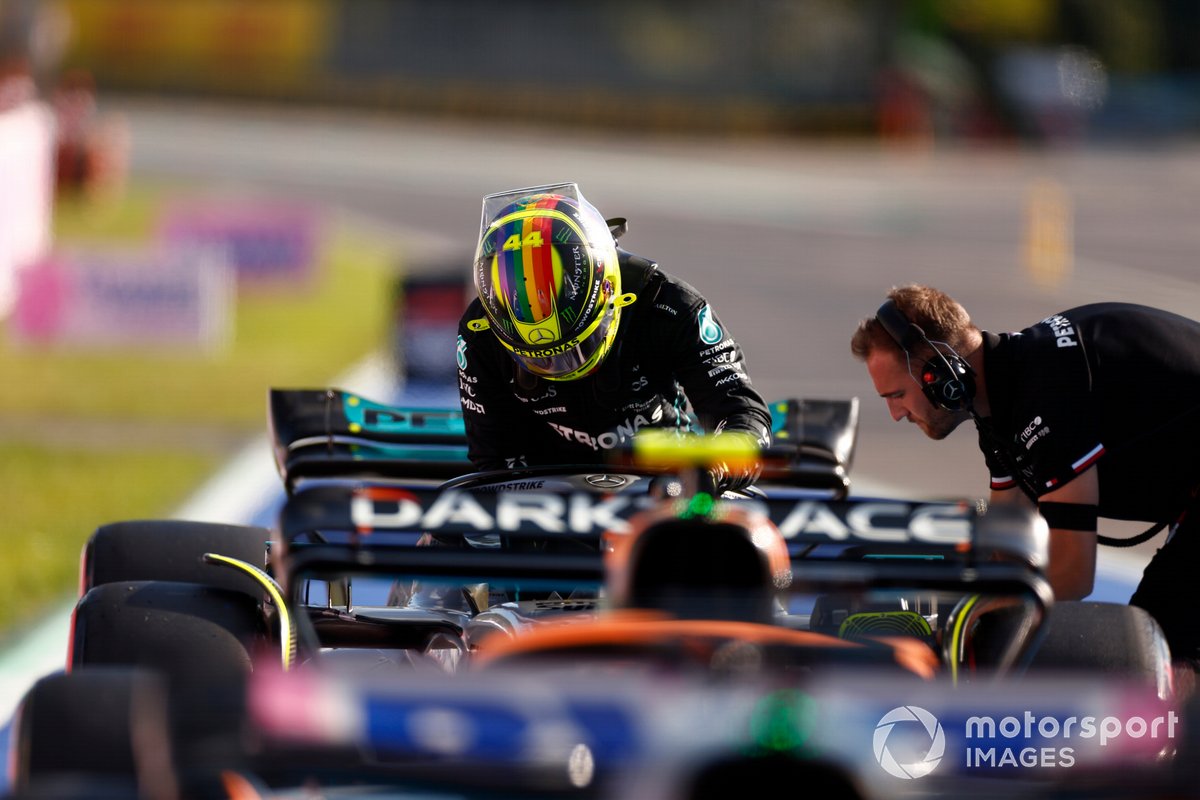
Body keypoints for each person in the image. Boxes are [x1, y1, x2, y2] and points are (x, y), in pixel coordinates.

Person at [850, 284, 1200, 667]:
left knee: (1163, 652)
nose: (895, 414)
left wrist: (965, 618)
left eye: (896, 394)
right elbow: (1008, 549)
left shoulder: (1046, 393)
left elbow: (1073, 573)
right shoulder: (1002, 401)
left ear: (939, 374)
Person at [456, 182, 772, 493]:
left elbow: (742, 412)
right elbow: (493, 460)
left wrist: (712, 470)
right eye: (540, 357)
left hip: (666, 487)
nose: (560, 366)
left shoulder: (670, 306)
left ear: (608, 291)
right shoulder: (478, 331)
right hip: (546, 492)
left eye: (575, 348)